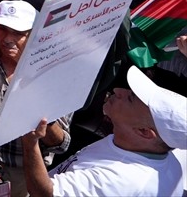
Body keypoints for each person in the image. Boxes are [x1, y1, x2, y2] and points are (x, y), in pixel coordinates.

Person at [22, 67, 185, 197]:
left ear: (144, 132)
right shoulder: (166, 160)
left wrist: (31, 143)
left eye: (130, 98)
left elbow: (45, 194)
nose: (119, 90)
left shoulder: (119, 179)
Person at [0, 0, 70, 196]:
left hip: (22, 166)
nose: (7, 38)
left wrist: (45, 120)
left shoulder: (55, 70)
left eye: (18, 33)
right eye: (2, 29)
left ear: (34, 35)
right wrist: (21, 125)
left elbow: (61, 143)